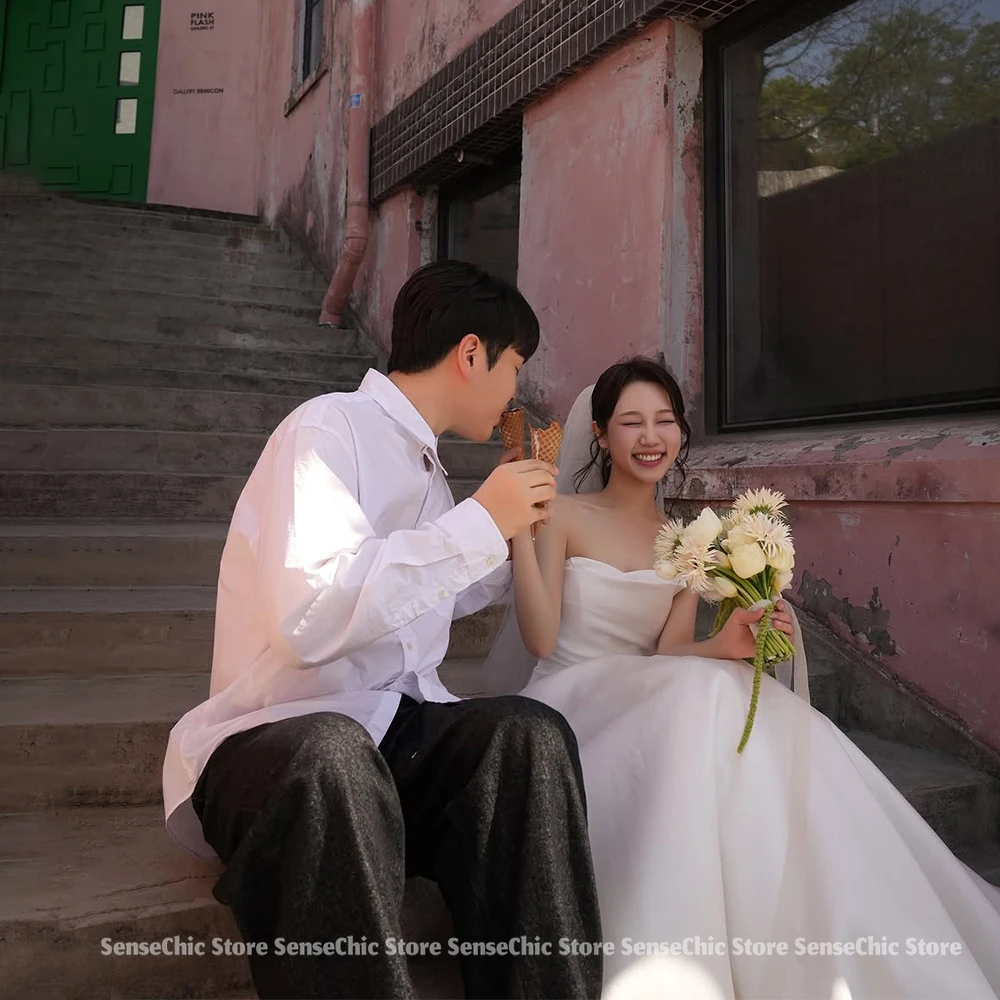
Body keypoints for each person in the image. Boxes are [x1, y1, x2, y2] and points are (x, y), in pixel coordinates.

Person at [488, 355, 1000, 999]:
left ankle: (811, 914)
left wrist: (729, 641)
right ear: (599, 434)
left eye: (665, 421)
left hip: (650, 693)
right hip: (571, 698)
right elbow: (540, 638)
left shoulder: (683, 540)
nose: (651, 437)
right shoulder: (561, 514)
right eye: (632, 422)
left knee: (729, 694)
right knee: (703, 698)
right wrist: (518, 536)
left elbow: (668, 652)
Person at [161, 260, 603, 1000]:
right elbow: (314, 616)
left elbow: (427, 595)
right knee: (334, 752)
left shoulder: (428, 471)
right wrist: (480, 521)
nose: (513, 395)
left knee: (529, 734)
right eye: (513, 368)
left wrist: (517, 529)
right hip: (277, 743)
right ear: (471, 354)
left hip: (391, 736)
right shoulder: (327, 429)